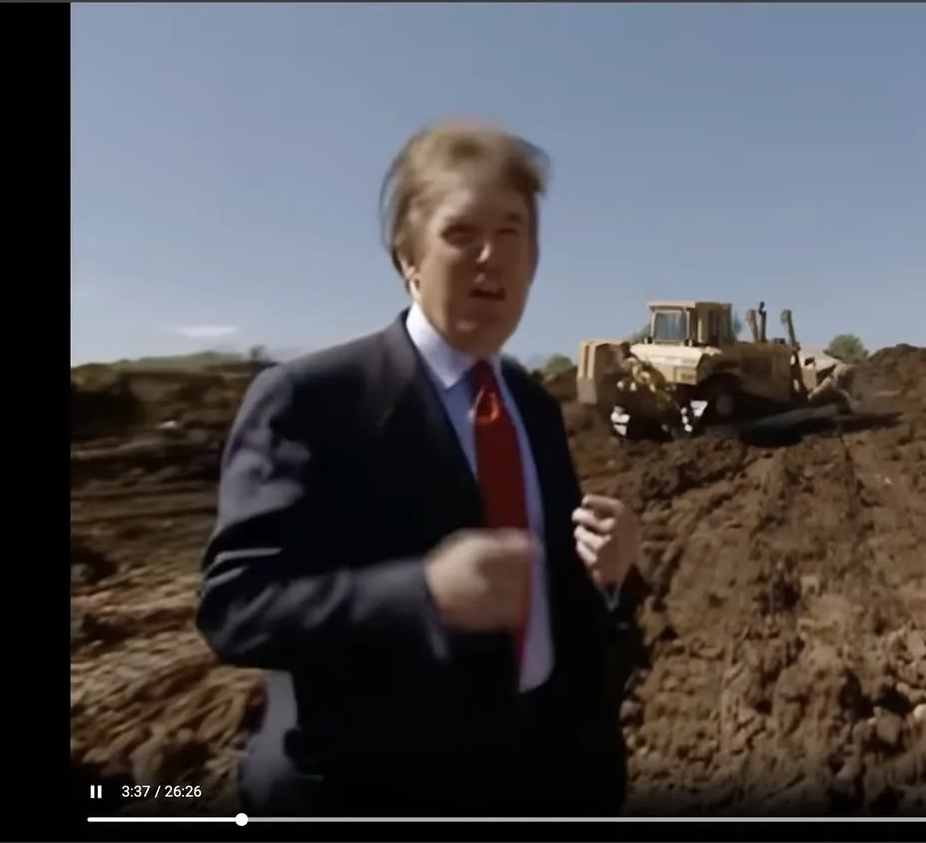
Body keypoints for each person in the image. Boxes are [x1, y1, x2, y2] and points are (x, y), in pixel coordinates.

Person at [197, 122, 639, 817]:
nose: (491, 256)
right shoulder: (312, 400)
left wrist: (605, 576)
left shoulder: (531, 406)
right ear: (408, 257)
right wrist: (422, 594)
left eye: (513, 233)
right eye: (462, 233)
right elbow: (238, 608)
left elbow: (547, 591)